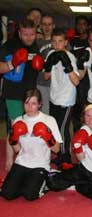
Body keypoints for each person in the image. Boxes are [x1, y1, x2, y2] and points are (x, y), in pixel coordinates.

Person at [46, 104, 92, 201]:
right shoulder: (83, 130)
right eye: (88, 116)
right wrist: (77, 147)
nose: (91, 119)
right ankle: (66, 176)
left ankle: (76, 184)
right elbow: (81, 158)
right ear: (84, 116)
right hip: (84, 169)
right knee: (52, 183)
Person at [0, 89, 62, 201]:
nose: (29, 107)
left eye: (33, 103)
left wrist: (47, 136)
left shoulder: (49, 120)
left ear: (39, 104)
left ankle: (47, 180)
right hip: (22, 161)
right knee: (7, 194)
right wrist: (13, 140)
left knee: (30, 195)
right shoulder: (19, 120)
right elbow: (18, 150)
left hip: (40, 164)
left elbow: (57, 149)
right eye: (26, 103)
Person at [0, 19, 44, 172]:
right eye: (25, 34)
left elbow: (34, 69)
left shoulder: (34, 46)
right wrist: (13, 63)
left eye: (31, 34)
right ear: (19, 32)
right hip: (13, 92)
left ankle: (25, 157)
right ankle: (10, 161)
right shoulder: (10, 45)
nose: (28, 37)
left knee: (26, 126)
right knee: (15, 126)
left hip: (29, 93)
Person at [44, 28, 81, 165]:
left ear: (65, 42)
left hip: (67, 100)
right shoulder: (50, 54)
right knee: (55, 128)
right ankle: (61, 153)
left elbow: (76, 81)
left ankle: (66, 157)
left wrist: (67, 65)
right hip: (54, 97)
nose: (57, 44)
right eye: (54, 41)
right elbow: (46, 77)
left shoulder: (70, 57)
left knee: (62, 129)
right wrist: (48, 65)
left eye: (60, 41)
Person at [70, 15, 90, 132]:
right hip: (74, 81)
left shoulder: (91, 42)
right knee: (76, 113)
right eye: (79, 24)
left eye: (84, 24)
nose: (81, 26)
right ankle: (78, 139)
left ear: (87, 26)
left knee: (87, 112)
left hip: (88, 82)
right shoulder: (72, 42)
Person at [37, 15, 55, 114]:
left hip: (57, 84)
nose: (47, 27)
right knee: (44, 112)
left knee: (56, 112)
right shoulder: (36, 42)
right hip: (41, 82)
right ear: (40, 26)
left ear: (53, 26)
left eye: (49, 24)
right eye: (44, 24)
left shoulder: (60, 41)